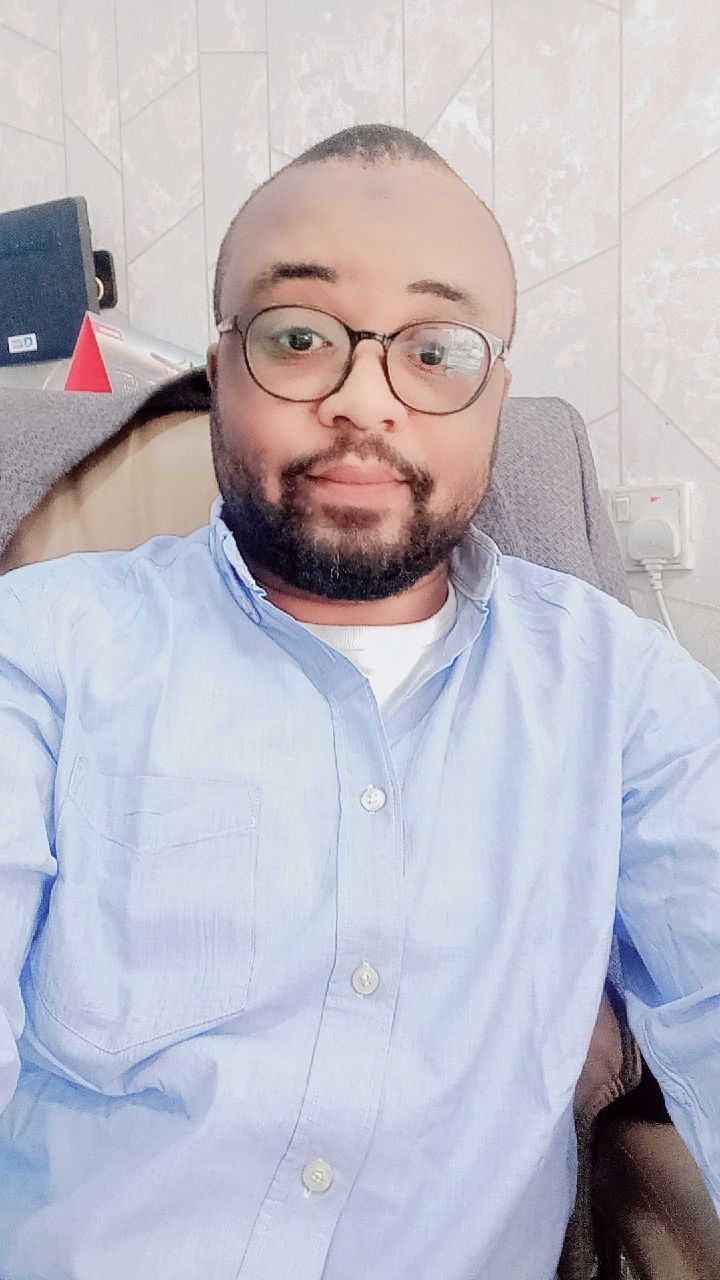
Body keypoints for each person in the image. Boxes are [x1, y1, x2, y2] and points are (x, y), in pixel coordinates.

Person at [0, 123, 718, 1280]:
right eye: (298, 335)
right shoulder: (39, 650)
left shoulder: (621, 692)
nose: (365, 402)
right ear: (220, 370)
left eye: (436, 349)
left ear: (496, 393)